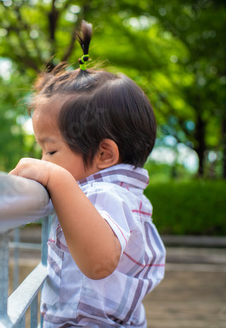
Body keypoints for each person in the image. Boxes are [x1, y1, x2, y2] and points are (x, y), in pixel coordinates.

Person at [9, 20, 165, 327]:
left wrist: (57, 179)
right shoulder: (99, 194)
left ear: (105, 154)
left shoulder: (107, 195)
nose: (44, 161)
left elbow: (99, 263)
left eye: (51, 151)